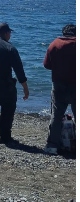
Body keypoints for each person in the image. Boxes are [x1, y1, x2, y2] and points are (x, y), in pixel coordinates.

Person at [42, 24, 75, 155]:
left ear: (63, 33)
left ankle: (52, 146)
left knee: (56, 116)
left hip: (59, 85)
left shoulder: (55, 44)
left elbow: (46, 65)